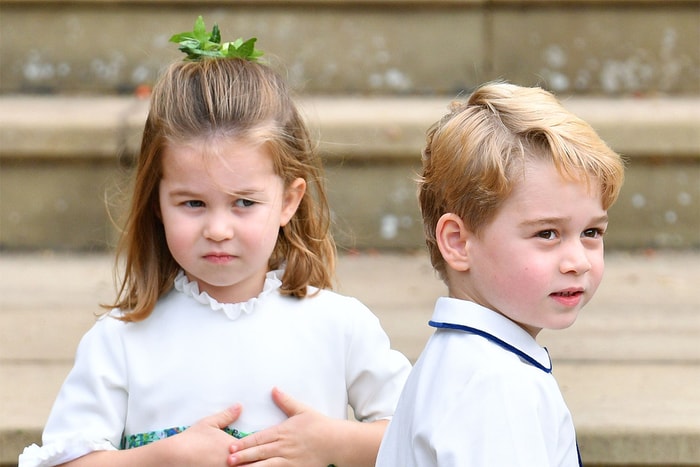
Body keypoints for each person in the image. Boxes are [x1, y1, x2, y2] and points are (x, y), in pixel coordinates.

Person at [19, 17, 410, 467]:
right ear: (157, 203)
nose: (218, 229)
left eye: (244, 202)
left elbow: (422, 435)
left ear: (288, 201)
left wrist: (335, 444)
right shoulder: (121, 342)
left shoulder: (340, 327)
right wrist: (159, 459)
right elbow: (63, 460)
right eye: (192, 204)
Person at [375, 82, 625, 466]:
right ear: (458, 243)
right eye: (547, 233)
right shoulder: (495, 385)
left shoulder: (468, 361)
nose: (578, 260)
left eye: (591, 232)